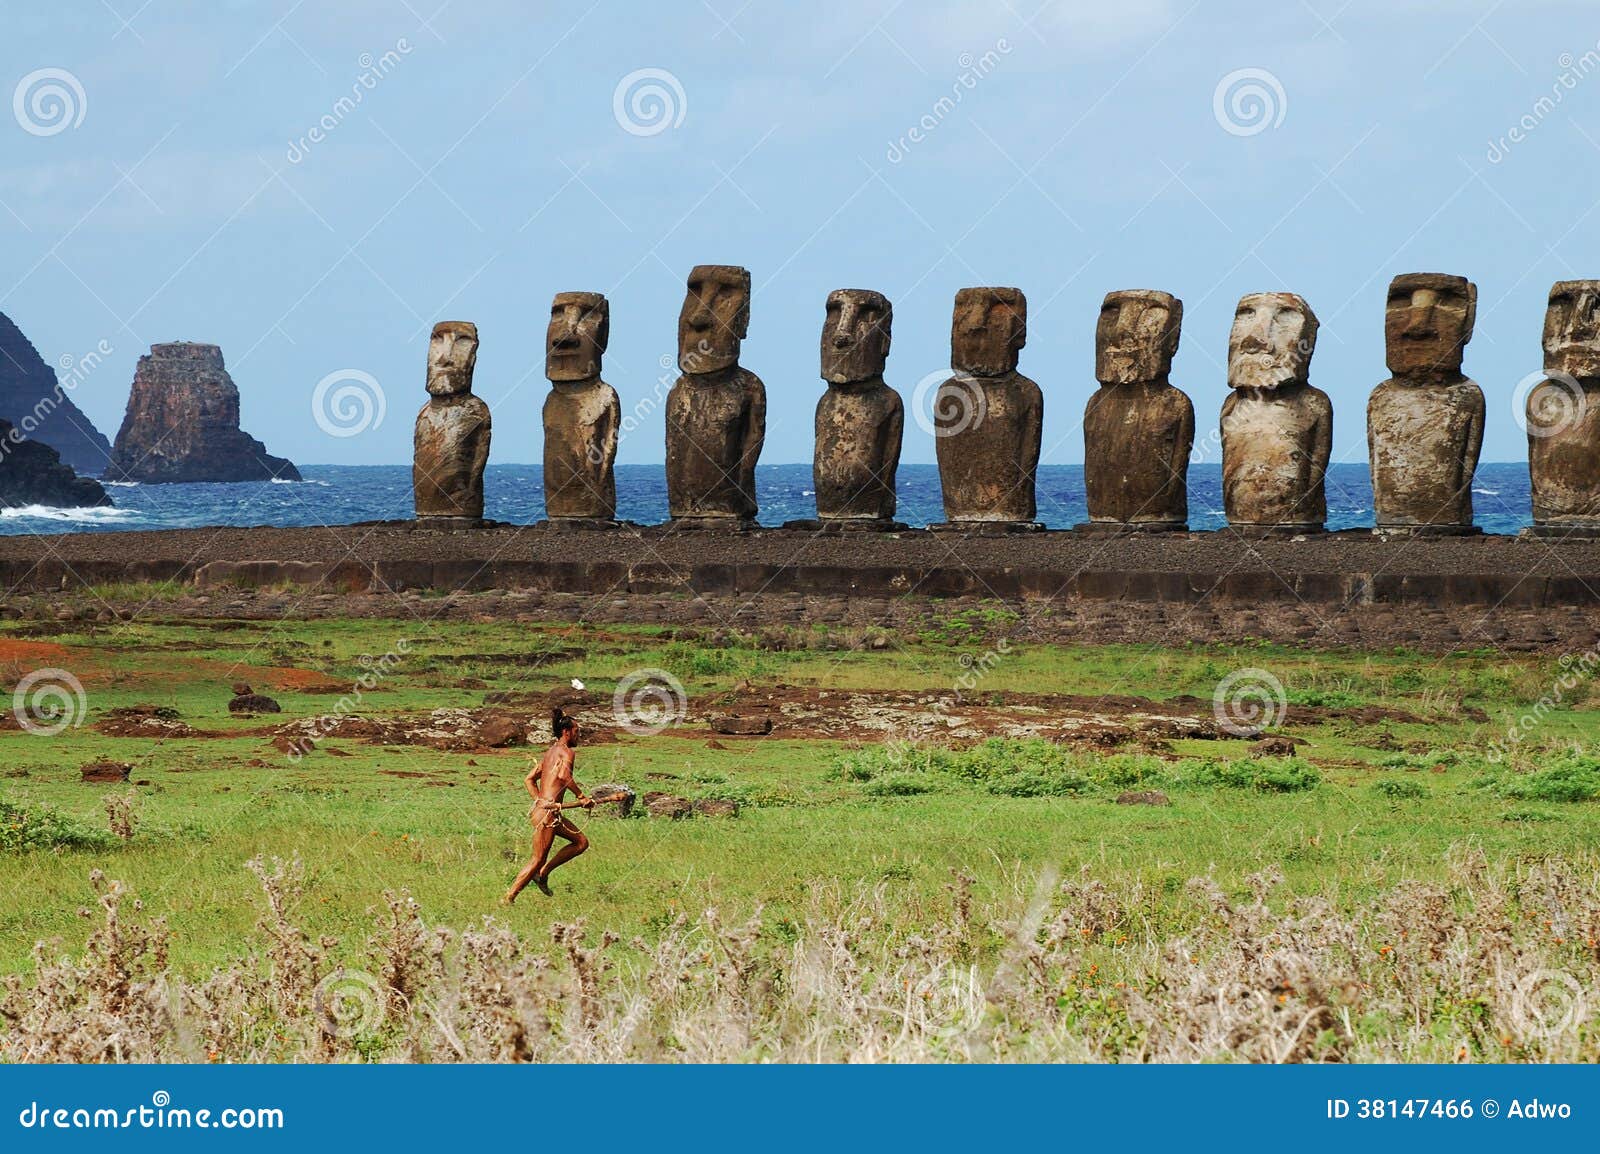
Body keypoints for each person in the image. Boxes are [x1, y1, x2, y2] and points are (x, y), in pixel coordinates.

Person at [504, 708, 594, 901]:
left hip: (549, 812)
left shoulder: (549, 754)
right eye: (577, 731)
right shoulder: (567, 752)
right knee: (537, 858)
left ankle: (543, 874)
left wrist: (539, 801)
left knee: (581, 842)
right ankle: (509, 897)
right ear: (566, 732)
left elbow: (529, 779)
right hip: (548, 816)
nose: (579, 735)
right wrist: (581, 796)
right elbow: (563, 776)